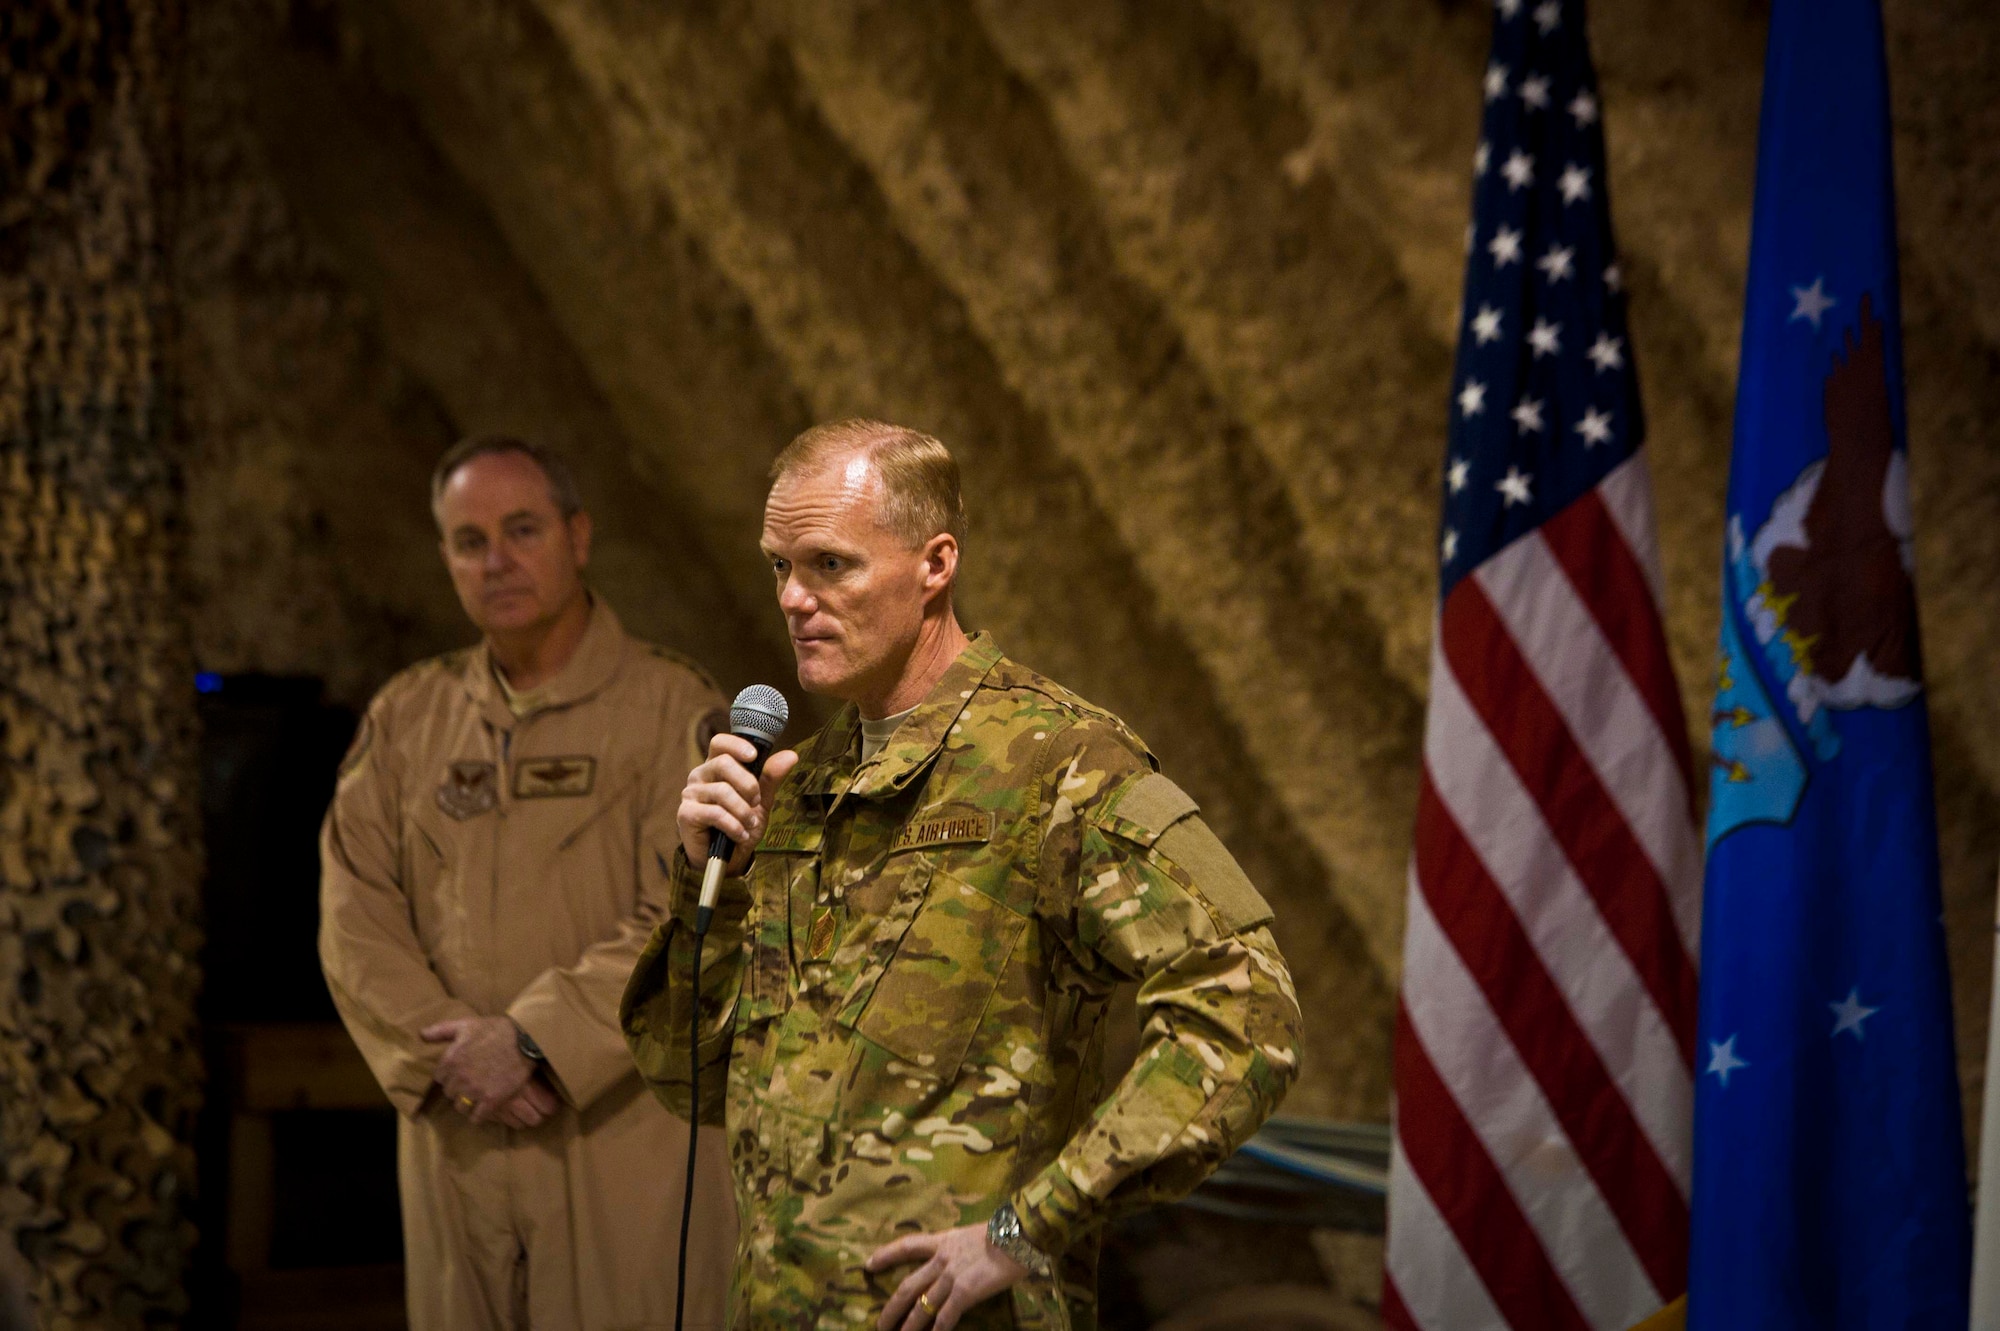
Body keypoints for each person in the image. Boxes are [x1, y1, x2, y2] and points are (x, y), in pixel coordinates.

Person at [622, 420, 1303, 1330]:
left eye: (830, 564)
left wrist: (1028, 1227)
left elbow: (1247, 1015)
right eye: (779, 566)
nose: (793, 598)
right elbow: (686, 1076)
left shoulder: (1058, 764)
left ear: (935, 564)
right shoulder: (806, 783)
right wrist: (717, 878)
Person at [320, 436, 736, 1331]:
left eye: (521, 529)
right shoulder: (408, 717)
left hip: (619, 1132)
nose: (496, 559)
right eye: (469, 541)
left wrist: (537, 1039)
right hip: (456, 1124)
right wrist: (452, 1055)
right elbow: (353, 908)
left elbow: (693, 911)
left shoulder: (671, 705)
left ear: (578, 536)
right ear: (445, 559)